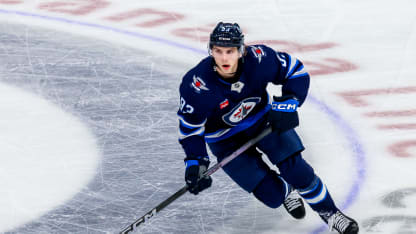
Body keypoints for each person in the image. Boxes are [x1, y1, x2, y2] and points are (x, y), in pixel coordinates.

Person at [177, 22, 359, 234]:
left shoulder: (259, 59)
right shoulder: (197, 84)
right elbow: (190, 128)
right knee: (271, 196)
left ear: (241, 50)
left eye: (230, 51)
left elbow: (294, 70)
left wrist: (288, 104)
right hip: (223, 138)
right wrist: (195, 162)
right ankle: (285, 192)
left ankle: (330, 213)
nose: (224, 58)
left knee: (297, 171)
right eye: (218, 51)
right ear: (211, 51)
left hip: (263, 119)